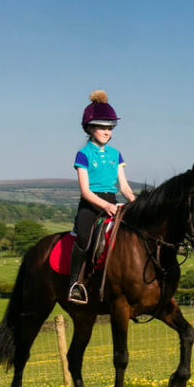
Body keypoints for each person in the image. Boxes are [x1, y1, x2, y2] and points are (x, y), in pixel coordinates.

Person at [68, 90, 135, 303]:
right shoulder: (83, 154)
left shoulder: (116, 154)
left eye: (110, 128)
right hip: (91, 204)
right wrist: (105, 206)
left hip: (113, 201)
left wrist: (136, 203)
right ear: (89, 128)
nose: (107, 132)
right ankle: (74, 284)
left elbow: (124, 186)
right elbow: (85, 191)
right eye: (102, 127)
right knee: (84, 238)